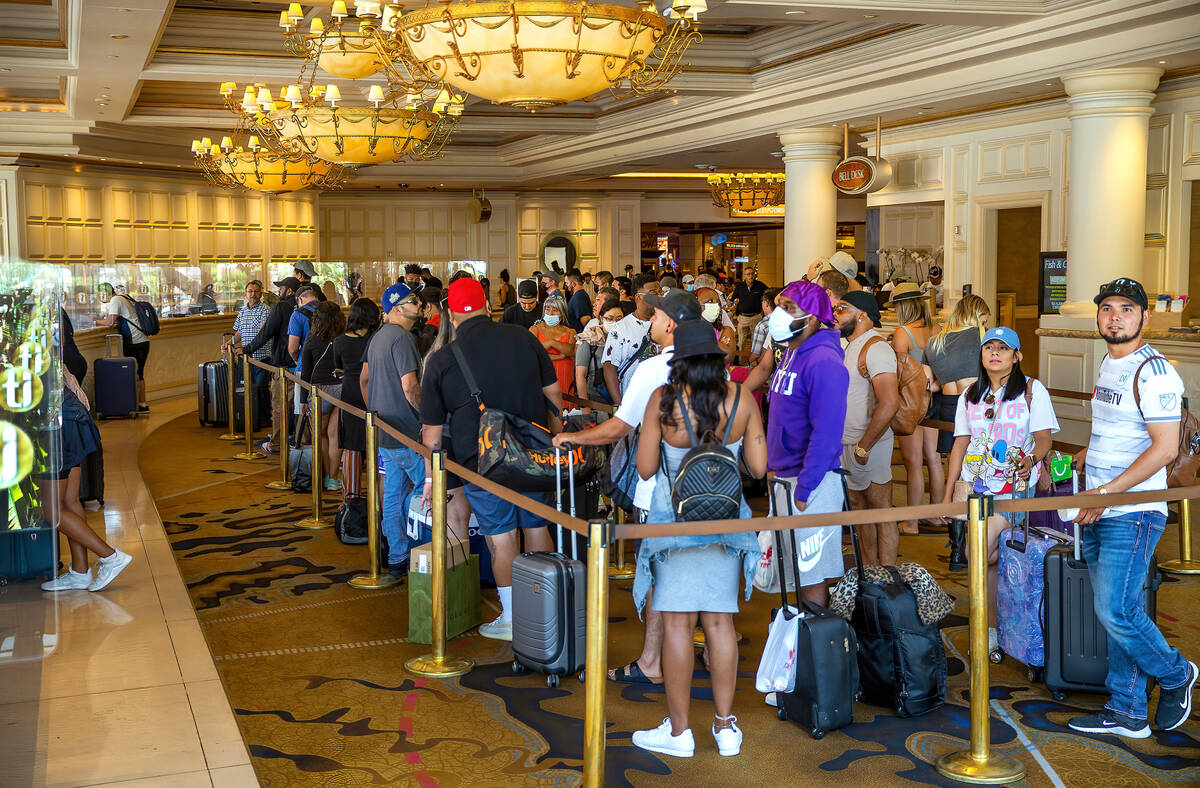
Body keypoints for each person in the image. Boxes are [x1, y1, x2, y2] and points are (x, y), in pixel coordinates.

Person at [1066, 278, 1196, 738]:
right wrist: (1085, 460)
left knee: (1116, 610)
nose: (1114, 316)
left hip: (1134, 509)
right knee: (1119, 608)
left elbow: (1162, 450)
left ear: (1145, 317)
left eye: (1126, 308)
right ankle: (1127, 710)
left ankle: (1177, 673)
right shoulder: (1109, 362)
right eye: (1106, 308)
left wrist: (1106, 494)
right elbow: (1114, 431)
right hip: (1103, 503)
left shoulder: (1156, 371)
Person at [630, 319, 766, 760]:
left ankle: (680, 732)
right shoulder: (742, 399)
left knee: (677, 626)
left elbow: (646, 469)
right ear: (718, 360)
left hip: (674, 526)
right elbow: (759, 468)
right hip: (726, 525)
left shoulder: (663, 401)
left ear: (678, 361)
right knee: (720, 624)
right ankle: (726, 729)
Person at [552, 289, 702, 687]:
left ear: (670, 323)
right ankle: (685, 645)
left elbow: (620, 426)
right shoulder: (711, 368)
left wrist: (575, 439)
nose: (650, 321)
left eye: (655, 317)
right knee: (692, 570)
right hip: (704, 488)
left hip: (659, 490)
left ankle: (653, 659)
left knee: (655, 575)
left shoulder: (654, 369)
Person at [421, 278, 561, 641]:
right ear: (487, 306)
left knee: (501, 540)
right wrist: (557, 437)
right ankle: (544, 611)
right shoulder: (524, 337)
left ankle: (513, 619)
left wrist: (431, 479)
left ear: (450, 314)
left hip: (481, 463)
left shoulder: (442, 360)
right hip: (533, 455)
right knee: (536, 528)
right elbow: (553, 394)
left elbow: (432, 434)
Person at [941, 326, 1058, 657]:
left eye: (1003, 349)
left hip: (1013, 489)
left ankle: (996, 627)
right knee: (989, 561)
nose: (995, 353)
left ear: (1017, 356)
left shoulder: (1032, 391)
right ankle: (992, 631)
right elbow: (960, 443)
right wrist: (949, 494)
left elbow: (1044, 438)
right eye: (989, 347)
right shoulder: (970, 396)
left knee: (976, 553)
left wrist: (1031, 459)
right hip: (975, 489)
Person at [766, 281, 847, 608]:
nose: (778, 314)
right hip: (788, 477)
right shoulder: (792, 351)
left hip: (811, 483)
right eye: (779, 305)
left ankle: (817, 649)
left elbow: (826, 433)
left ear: (812, 318)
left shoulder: (824, 360)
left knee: (811, 572)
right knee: (795, 572)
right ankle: (799, 646)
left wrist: (805, 489)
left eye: (789, 308)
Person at [39, 373, 134, 592]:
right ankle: (80, 572)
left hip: (56, 422)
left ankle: (110, 557)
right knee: (70, 501)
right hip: (70, 415)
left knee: (51, 510)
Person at [361, 283, 426, 571]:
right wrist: (427, 418)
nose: (419, 303)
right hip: (405, 430)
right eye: (413, 299)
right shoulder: (401, 338)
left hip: (384, 427)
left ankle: (397, 554)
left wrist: (376, 407)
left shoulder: (378, 337)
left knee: (394, 491)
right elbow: (410, 386)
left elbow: (363, 379)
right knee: (428, 486)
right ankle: (413, 546)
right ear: (397, 308)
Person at [833, 291, 901, 566]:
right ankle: (869, 576)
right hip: (847, 443)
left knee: (881, 511)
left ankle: (887, 579)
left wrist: (865, 445)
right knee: (859, 510)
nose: (835, 313)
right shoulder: (846, 344)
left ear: (861, 314)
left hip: (869, 445)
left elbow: (889, 403)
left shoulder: (876, 348)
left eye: (842, 308)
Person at [924, 293, 990, 569]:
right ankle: (975, 546)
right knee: (979, 473)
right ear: (977, 316)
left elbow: (930, 384)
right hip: (976, 408)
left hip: (947, 409)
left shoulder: (934, 342)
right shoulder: (981, 337)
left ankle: (955, 550)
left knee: (957, 471)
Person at [890, 282, 943, 536]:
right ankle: (935, 515)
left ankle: (911, 522)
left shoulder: (902, 333)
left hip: (912, 404)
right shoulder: (937, 328)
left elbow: (901, 373)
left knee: (913, 463)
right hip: (934, 401)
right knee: (933, 459)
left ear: (903, 307)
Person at [242, 277, 298, 454]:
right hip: (302, 365)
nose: (278, 291)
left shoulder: (281, 307)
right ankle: (302, 442)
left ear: (288, 290)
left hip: (283, 364)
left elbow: (266, 332)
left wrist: (247, 349)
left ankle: (276, 443)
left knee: (280, 407)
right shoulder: (304, 307)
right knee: (302, 406)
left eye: (281, 288)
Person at [334, 298, 379, 497]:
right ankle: (377, 493)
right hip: (375, 392)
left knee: (351, 446)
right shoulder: (375, 340)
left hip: (349, 393)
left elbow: (337, 367)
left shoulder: (340, 341)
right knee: (376, 444)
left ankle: (351, 495)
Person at [300, 301, 346, 492]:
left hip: (320, 391)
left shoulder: (311, 341)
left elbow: (306, 374)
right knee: (336, 436)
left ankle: (324, 474)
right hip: (342, 390)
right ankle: (333, 478)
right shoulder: (343, 339)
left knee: (320, 435)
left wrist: (303, 400)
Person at [602, 274, 662, 403]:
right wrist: (619, 404)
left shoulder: (667, 323)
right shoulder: (621, 328)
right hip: (634, 402)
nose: (659, 296)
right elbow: (610, 368)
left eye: (660, 292)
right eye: (654, 293)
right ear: (639, 297)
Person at [97, 285, 151, 413]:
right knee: (139, 373)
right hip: (143, 340)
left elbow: (110, 322)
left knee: (133, 373)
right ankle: (142, 404)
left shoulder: (115, 300)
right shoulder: (125, 297)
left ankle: (136, 403)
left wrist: (93, 320)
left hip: (134, 341)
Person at [575, 295, 624, 403]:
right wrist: (585, 407)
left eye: (619, 319)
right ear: (601, 319)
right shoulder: (589, 338)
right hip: (596, 400)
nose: (615, 322)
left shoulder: (627, 340)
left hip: (623, 399)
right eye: (610, 319)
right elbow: (580, 375)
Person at [532, 292, 577, 396]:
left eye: (555, 310)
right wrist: (559, 356)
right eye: (547, 309)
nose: (550, 313)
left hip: (565, 379)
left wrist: (551, 343)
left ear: (562, 314)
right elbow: (533, 353)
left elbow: (570, 351)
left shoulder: (571, 332)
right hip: (542, 379)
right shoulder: (535, 329)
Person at [229, 280, 272, 386]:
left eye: (256, 291)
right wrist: (228, 344)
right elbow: (239, 333)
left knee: (260, 390)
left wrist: (246, 348)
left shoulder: (265, 310)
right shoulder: (242, 311)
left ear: (261, 294)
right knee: (245, 389)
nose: (253, 294)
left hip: (261, 358)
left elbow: (262, 334)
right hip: (245, 358)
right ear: (245, 294)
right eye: (250, 291)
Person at [695, 286, 737, 361]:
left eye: (717, 302)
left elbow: (727, 356)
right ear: (696, 304)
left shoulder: (726, 330)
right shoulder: (688, 329)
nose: (716, 305)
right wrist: (719, 345)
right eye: (710, 301)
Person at [731, 267, 766, 352]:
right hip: (743, 318)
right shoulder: (739, 286)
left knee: (757, 341)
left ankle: (755, 361)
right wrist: (735, 301)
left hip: (756, 317)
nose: (750, 276)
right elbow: (733, 299)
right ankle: (739, 361)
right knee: (741, 341)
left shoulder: (760, 285)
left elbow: (768, 295)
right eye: (748, 274)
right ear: (744, 276)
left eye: (752, 274)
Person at [747, 288, 780, 366]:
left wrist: (749, 363)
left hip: (764, 365)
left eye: (762, 300)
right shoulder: (786, 321)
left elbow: (756, 354)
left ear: (766, 303)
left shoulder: (762, 326)